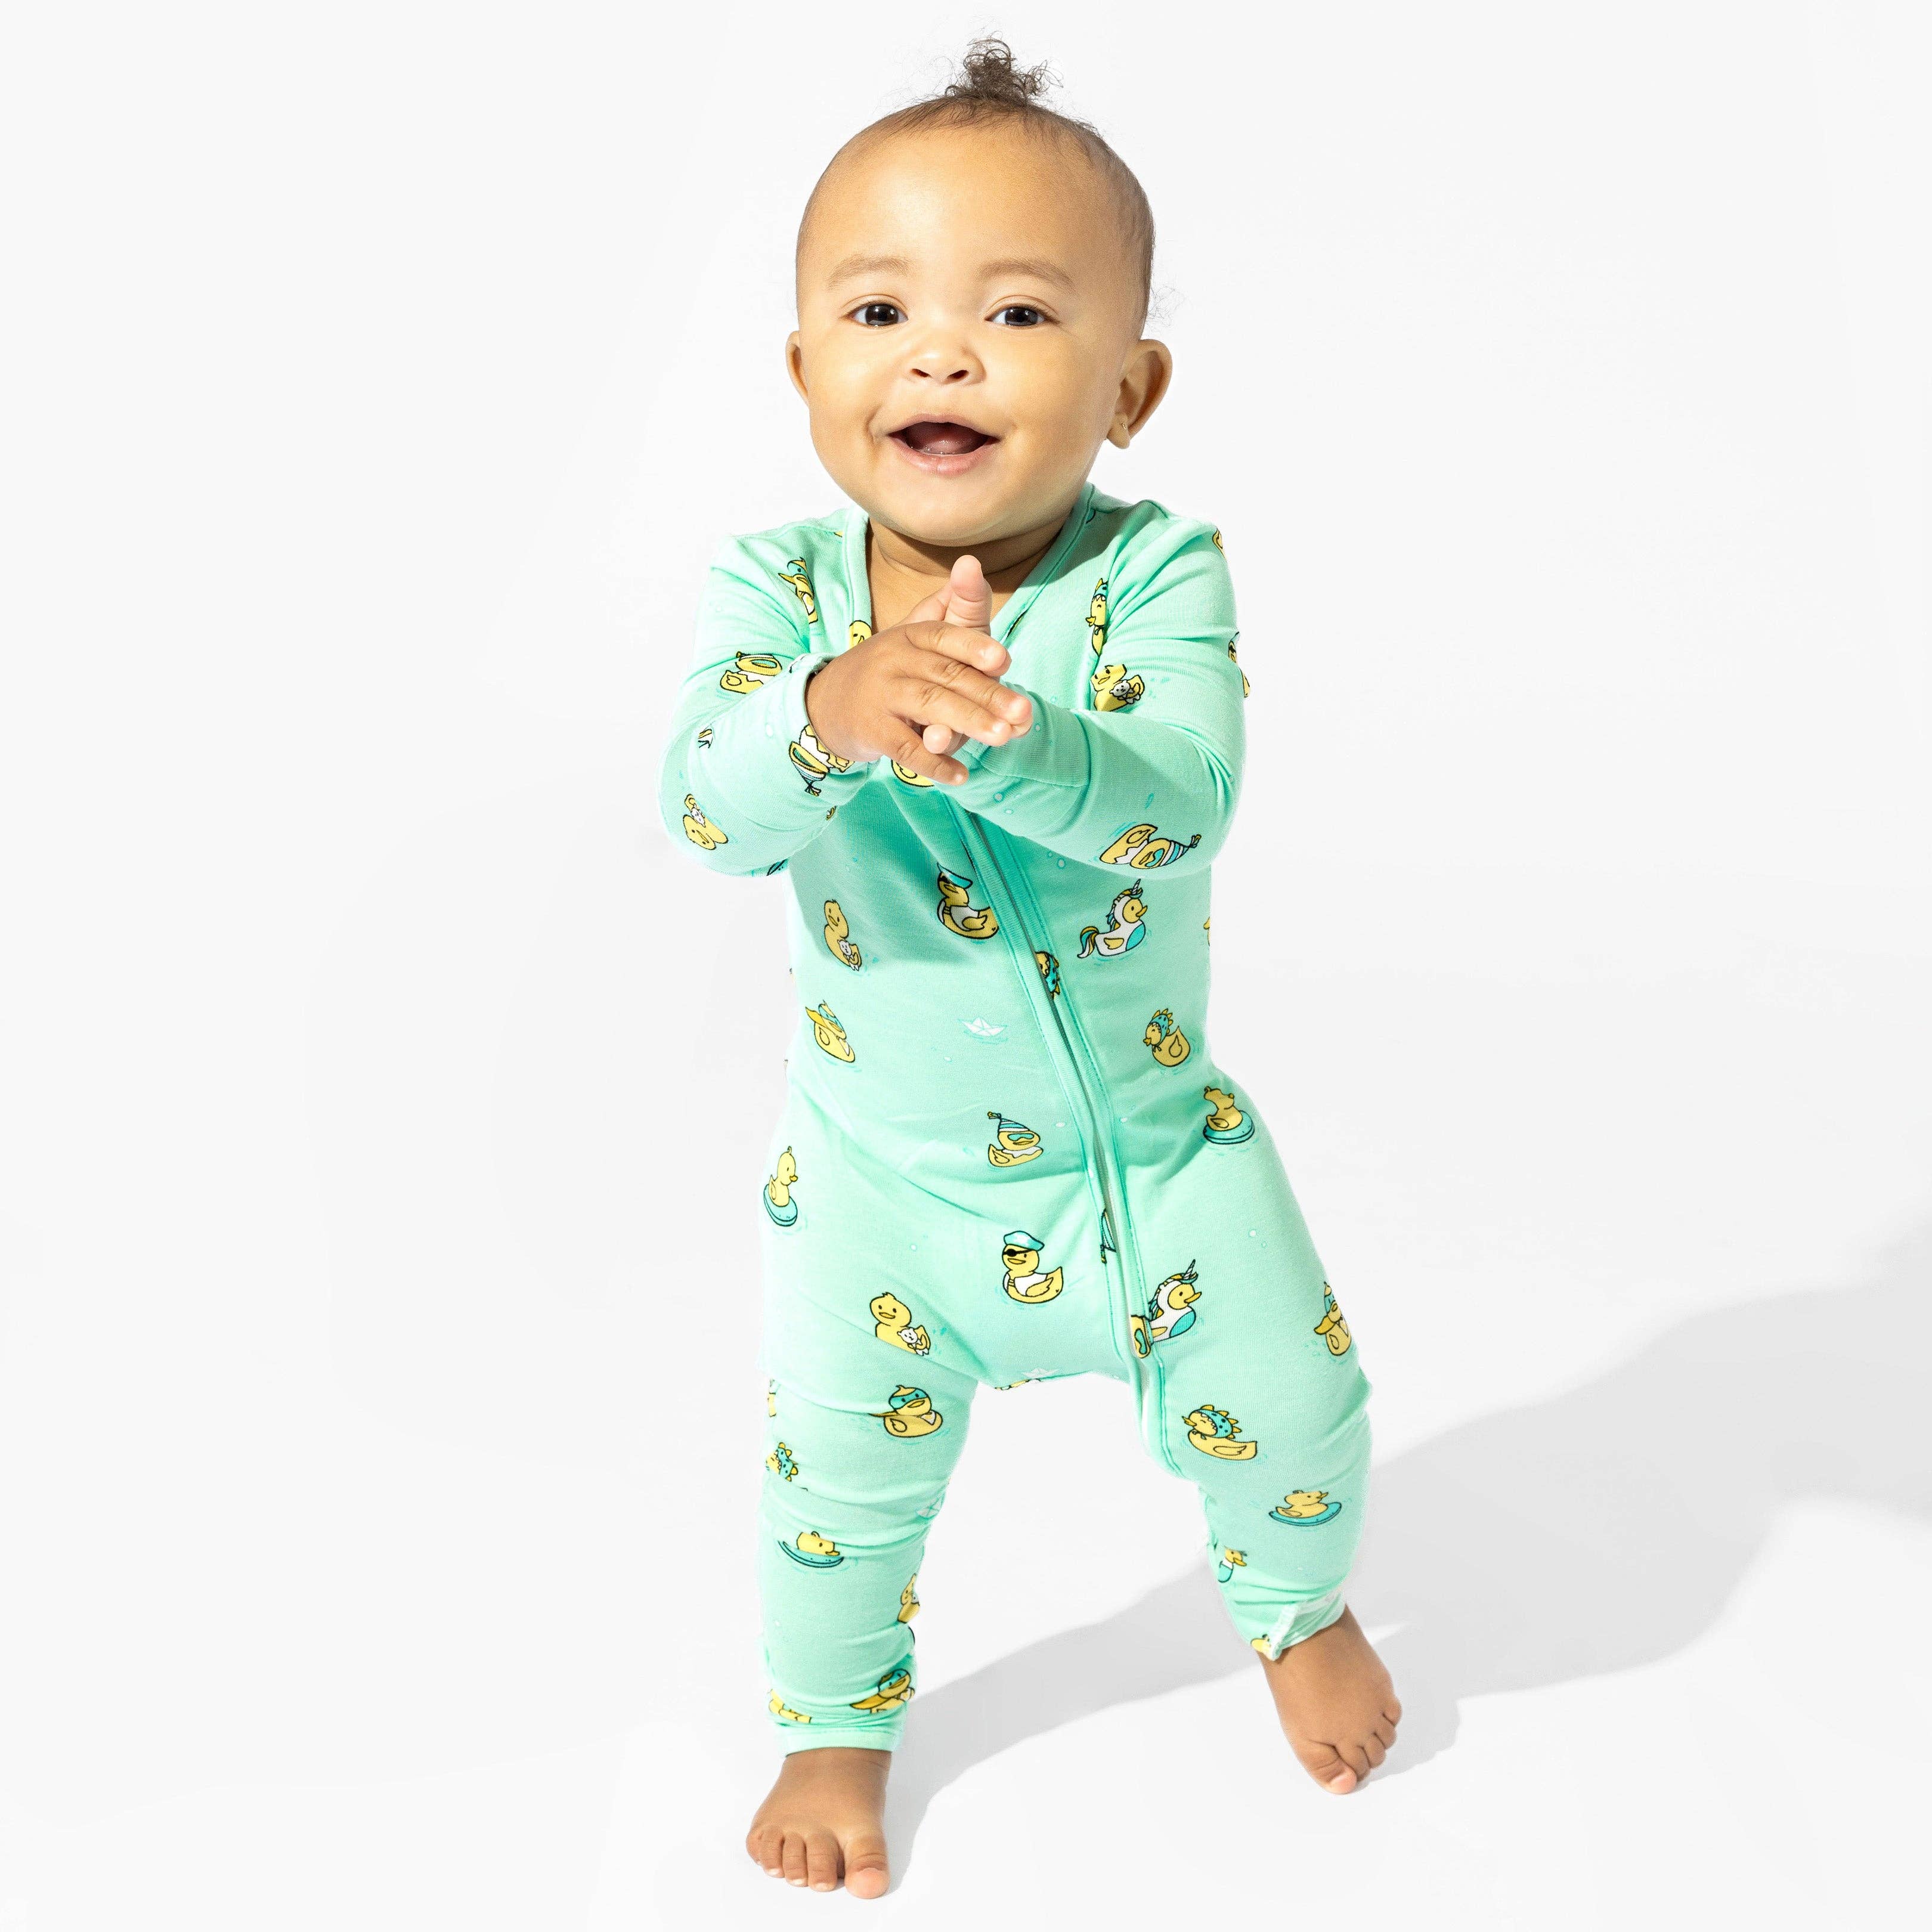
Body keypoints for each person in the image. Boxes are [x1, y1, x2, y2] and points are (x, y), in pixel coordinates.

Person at [658, 35, 1401, 1900]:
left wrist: (1014, 739)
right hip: (883, 1192)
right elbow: (705, 810)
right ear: (808, 372)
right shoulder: (778, 600)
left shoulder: (1156, 576)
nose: (942, 355)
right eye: (881, 312)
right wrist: (832, 712)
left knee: (1298, 1405)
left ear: (1130, 387)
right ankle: (836, 1730)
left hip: (1150, 1163)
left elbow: (1182, 805)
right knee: (833, 1489)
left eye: (1016, 312)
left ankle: (1297, 1605)